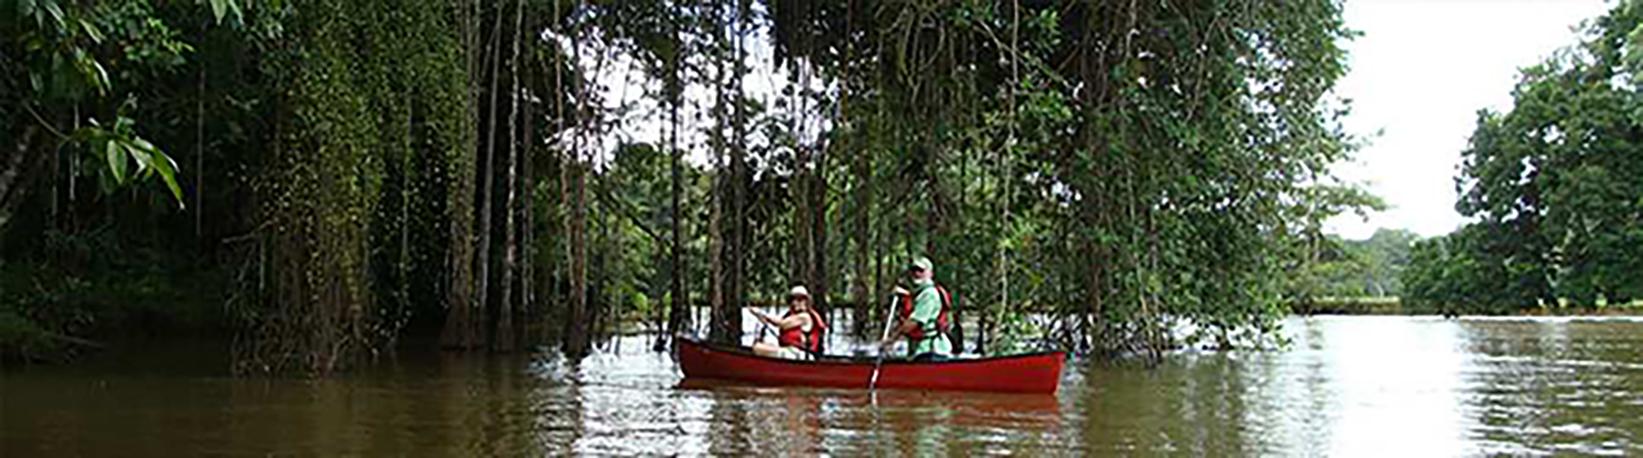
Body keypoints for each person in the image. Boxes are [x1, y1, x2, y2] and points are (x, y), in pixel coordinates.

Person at [882, 256, 953, 361]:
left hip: (931, 351)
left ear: (930, 274)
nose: (917, 273)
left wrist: (891, 340)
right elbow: (914, 298)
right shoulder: (919, 293)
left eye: (921, 271)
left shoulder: (929, 294)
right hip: (919, 350)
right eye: (914, 270)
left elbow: (914, 322)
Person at [751, 285, 828, 360]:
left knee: (758, 348)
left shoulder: (805, 317)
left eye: (800, 300)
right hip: (791, 351)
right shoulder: (791, 316)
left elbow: (782, 324)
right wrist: (764, 319)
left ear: (806, 302)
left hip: (801, 355)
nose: (795, 303)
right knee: (764, 345)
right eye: (793, 299)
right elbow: (780, 325)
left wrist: (760, 313)